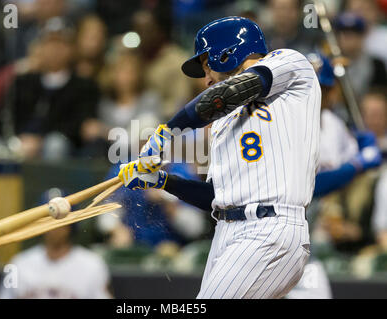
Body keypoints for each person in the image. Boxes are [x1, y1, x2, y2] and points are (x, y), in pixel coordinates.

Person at [118, 16, 320, 299]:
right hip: (228, 231)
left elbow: (228, 93)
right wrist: (162, 181)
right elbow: (215, 195)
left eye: (206, 65)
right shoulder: (224, 123)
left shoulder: (288, 61)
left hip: (270, 226)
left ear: (227, 53)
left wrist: (168, 131)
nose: (206, 78)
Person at [286, 53, 382, 299]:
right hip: (271, 237)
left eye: (324, 89)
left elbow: (360, 157)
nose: (318, 95)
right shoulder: (285, 128)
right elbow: (306, 187)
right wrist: (357, 166)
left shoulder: (332, 125)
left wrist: (366, 145)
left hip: (305, 242)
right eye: (308, 88)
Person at [0, 189, 112, 299]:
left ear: (71, 224)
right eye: (48, 218)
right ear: (39, 223)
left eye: (60, 218)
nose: (54, 226)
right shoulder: (18, 264)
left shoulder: (92, 265)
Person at [5, 28, 100, 160]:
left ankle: (51, 181)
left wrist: (39, 140)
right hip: (21, 140)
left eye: (60, 44)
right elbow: (7, 116)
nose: (54, 50)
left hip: (60, 144)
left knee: (55, 144)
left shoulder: (83, 85)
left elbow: (81, 125)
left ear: (71, 49)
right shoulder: (24, 81)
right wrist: (19, 138)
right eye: (49, 44)